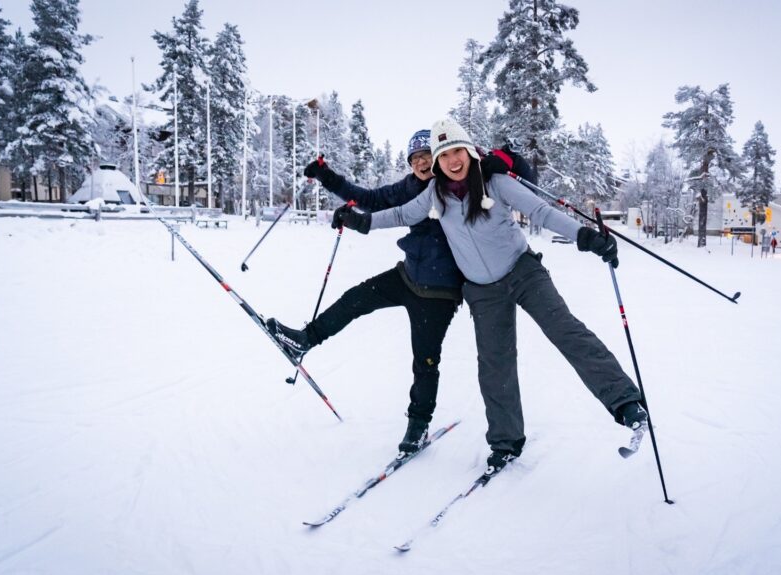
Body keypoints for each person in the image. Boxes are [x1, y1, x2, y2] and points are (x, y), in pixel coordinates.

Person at [333, 119, 647, 475]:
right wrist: (361, 221)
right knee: (494, 364)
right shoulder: (434, 194)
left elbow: (540, 212)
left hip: (522, 272)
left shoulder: (494, 182)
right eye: (443, 155)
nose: (452, 160)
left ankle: (625, 403)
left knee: (564, 330)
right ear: (436, 163)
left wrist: (585, 237)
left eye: (456, 151)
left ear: (468, 150)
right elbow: (402, 214)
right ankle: (506, 443)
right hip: (481, 290)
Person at [265, 129, 535, 458]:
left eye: (426, 156)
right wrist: (327, 177)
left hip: (440, 294)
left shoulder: (456, 187)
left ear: (438, 158)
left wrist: (508, 159)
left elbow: (520, 178)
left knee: (424, 361)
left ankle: (418, 425)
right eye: (415, 158)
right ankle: (304, 340)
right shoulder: (408, 188)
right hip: (407, 276)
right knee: (355, 299)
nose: (421, 162)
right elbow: (367, 199)